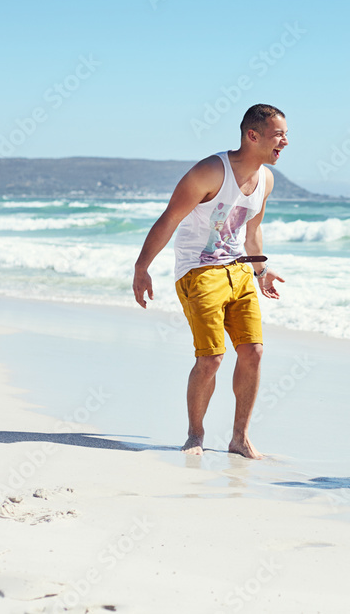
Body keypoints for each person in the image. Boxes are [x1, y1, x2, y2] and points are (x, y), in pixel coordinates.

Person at [132, 104, 288, 460]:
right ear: (253, 135)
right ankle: (195, 434)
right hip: (198, 271)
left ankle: (239, 438)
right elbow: (169, 219)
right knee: (212, 358)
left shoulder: (266, 179)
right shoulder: (210, 171)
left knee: (253, 352)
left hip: (239, 271)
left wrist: (261, 271)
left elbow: (252, 231)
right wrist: (142, 268)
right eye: (279, 134)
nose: (286, 142)